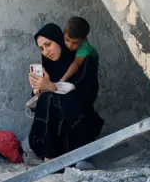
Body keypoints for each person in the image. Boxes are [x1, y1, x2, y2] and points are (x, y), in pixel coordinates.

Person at [28, 23, 104, 162]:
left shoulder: (84, 59)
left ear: (58, 39)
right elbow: (35, 107)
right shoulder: (47, 65)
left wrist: (53, 87)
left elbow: (86, 96)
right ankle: (48, 155)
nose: (46, 51)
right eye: (41, 48)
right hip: (52, 136)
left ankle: (74, 156)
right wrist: (37, 89)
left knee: (55, 98)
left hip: (78, 126)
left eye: (48, 44)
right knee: (46, 97)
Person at [60, 17, 98, 82]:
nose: (70, 45)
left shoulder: (85, 48)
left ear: (83, 40)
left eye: (75, 43)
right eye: (67, 40)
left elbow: (77, 63)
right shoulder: (64, 34)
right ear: (64, 33)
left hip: (89, 60)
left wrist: (63, 80)